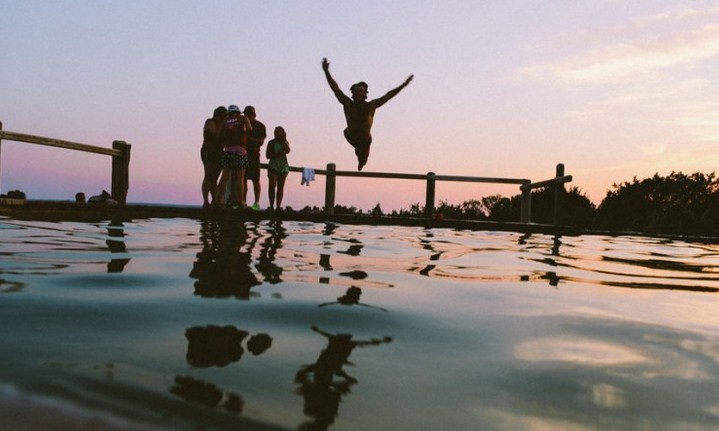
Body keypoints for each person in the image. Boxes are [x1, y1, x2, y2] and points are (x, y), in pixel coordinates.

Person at [321, 57, 413, 170]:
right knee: (357, 149)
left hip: (365, 141)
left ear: (365, 94)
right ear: (352, 94)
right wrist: (326, 71)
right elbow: (335, 89)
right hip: (350, 136)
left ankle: (361, 162)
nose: (358, 93)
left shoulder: (371, 105)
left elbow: (388, 95)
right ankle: (360, 159)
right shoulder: (347, 103)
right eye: (356, 91)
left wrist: (403, 85)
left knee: (363, 159)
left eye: (361, 91)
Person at [216, 105, 252, 209]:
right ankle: (240, 202)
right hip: (240, 150)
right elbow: (250, 129)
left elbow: (218, 134)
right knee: (240, 177)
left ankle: (217, 200)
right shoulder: (243, 118)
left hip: (227, 151)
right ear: (238, 111)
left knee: (224, 176)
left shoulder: (225, 121)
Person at [201, 106, 227, 209]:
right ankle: (206, 201)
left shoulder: (224, 125)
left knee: (215, 178)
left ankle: (215, 201)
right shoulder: (209, 122)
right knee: (208, 175)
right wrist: (223, 124)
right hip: (209, 151)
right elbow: (216, 133)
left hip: (219, 153)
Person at [242, 106, 267, 211]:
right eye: (245, 115)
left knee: (256, 180)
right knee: (243, 179)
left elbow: (261, 142)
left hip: (254, 155)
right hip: (243, 155)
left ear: (253, 115)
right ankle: (243, 202)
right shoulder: (242, 124)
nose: (246, 116)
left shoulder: (260, 126)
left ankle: (256, 203)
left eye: (248, 114)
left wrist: (248, 139)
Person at [266, 126, 290, 211]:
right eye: (275, 132)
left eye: (279, 132)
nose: (277, 133)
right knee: (272, 186)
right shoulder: (271, 143)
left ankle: (278, 207)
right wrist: (278, 154)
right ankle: (271, 206)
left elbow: (288, 150)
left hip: (283, 167)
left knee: (280, 187)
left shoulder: (285, 142)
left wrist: (284, 141)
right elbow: (268, 155)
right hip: (273, 166)